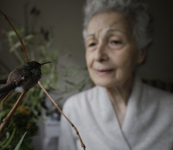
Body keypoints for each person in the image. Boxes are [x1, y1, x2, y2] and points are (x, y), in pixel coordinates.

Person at [58, 0, 173, 150]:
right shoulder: (74, 109)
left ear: (140, 52)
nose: (99, 56)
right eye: (92, 44)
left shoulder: (169, 110)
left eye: (115, 41)